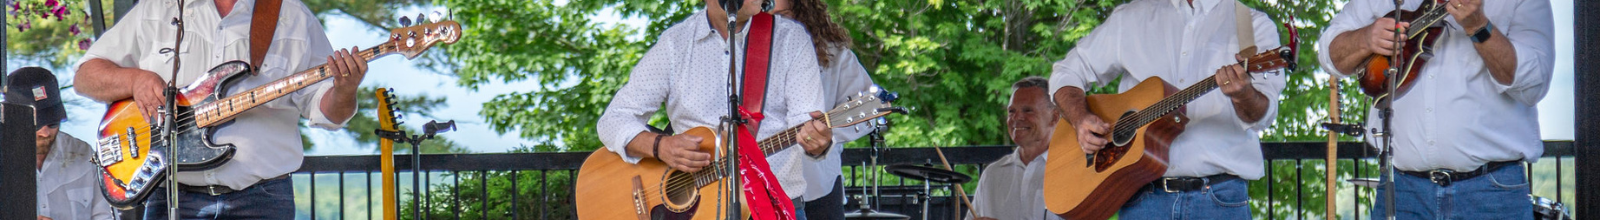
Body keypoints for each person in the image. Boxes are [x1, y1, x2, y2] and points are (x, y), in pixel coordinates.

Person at [72, 0, 370, 218]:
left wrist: (345, 90)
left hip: (262, 199)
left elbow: (328, 112)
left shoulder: (292, 16)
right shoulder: (158, 9)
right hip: (174, 195)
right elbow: (86, 77)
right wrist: (135, 79)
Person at [1049, 0, 1286, 218]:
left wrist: (1244, 94)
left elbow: (1262, 116)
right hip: (1142, 198)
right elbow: (1067, 72)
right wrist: (1080, 119)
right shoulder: (1131, 17)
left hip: (1218, 200)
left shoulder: (1251, 25)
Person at [594, 0, 830, 218]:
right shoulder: (675, 44)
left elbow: (806, 124)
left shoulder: (790, 39)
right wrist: (660, 146)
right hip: (694, 212)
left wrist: (818, 142)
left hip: (773, 207)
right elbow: (613, 120)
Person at [1317, 0, 1553, 218]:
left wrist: (1480, 27)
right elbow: (1329, 54)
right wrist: (1365, 38)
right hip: (1403, 189)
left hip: (1491, 192)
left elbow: (1534, 84)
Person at [767, 0, 875, 219]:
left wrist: (827, 135)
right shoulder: (744, 55)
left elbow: (870, 109)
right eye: (767, 15)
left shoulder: (834, 55)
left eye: (783, 15)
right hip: (759, 188)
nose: (775, 23)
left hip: (817, 187)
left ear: (805, 14)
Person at [6, 67, 114, 220]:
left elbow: (105, 216)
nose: (45, 133)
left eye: (52, 122)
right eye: (35, 124)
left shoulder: (82, 154)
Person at [967, 77, 1064, 220]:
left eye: (1028, 110)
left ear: (1054, 117)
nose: (1016, 117)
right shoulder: (993, 174)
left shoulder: (1074, 170)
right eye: (1011, 111)